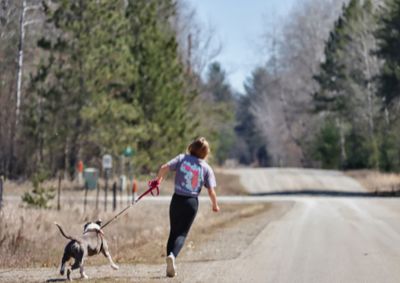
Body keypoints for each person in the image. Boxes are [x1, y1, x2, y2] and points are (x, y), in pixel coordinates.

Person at [150, 137, 220, 277]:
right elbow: (211, 191)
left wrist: (158, 180)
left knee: (173, 232)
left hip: (177, 200)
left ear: (191, 147)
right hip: (191, 202)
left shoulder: (182, 159)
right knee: (182, 234)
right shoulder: (206, 168)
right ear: (205, 153)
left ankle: (169, 260)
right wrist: (215, 205)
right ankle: (173, 256)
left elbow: (164, 168)